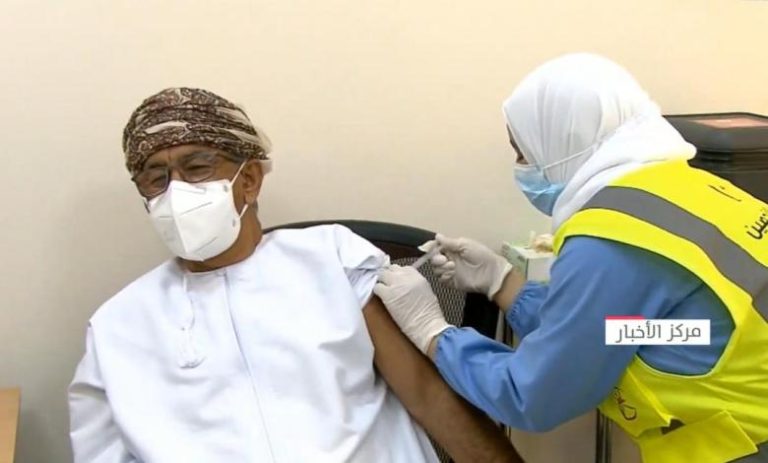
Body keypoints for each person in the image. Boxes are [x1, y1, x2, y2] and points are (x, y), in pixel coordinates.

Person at [68, 87, 521, 463]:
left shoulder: (331, 259)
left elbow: (429, 397)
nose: (177, 191)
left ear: (249, 179)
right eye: (156, 177)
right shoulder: (116, 327)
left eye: (197, 167)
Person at [374, 54, 768, 463]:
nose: (521, 167)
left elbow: (533, 396)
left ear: (563, 140)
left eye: (523, 152)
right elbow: (650, 331)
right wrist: (504, 283)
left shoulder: (612, 236)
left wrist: (433, 333)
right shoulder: (694, 188)